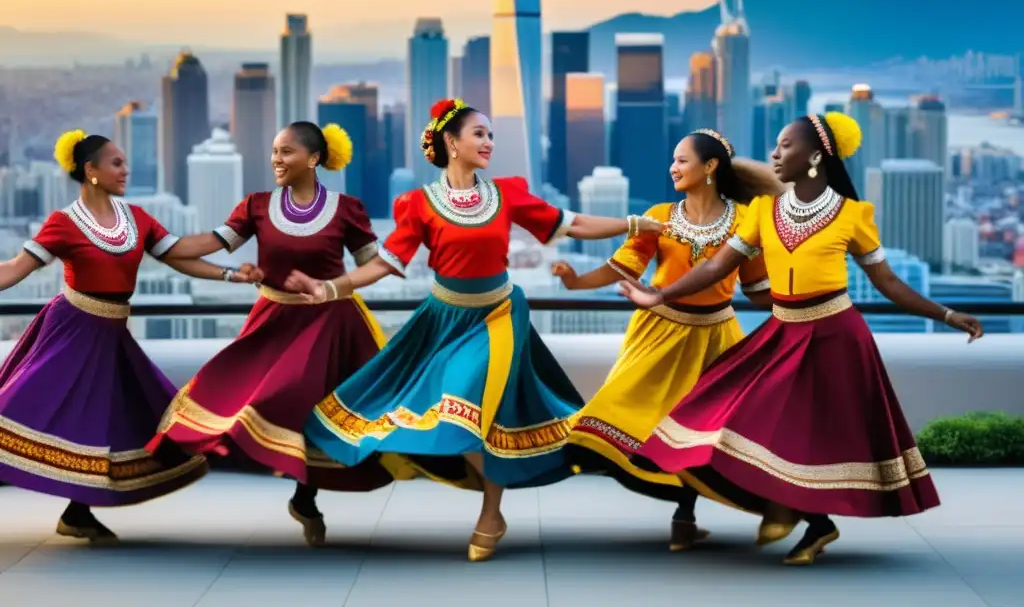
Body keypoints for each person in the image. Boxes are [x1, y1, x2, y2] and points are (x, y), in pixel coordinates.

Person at [284, 98, 666, 562]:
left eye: (490, 135)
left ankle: (491, 513)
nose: (488, 143)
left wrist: (634, 223)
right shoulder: (418, 204)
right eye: (479, 134)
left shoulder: (506, 193)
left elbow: (574, 223)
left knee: (475, 401)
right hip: (443, 320)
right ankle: (312, 490)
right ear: (451, 141)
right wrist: (331, 288)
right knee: (388, 407)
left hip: (501, 317)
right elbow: (386, 262)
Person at [621, 112, 984, 566]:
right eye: (775, 145)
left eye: (785, 146)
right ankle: (805, 519)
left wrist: (947, 314)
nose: (774, 154)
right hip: (782, 333)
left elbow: (889, 283)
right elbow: (717, 268)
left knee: (814, 438)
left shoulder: (853, 216)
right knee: (738, 420)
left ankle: (809, 521)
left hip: (837, 338)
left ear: (815, 157)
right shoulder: (762, 213)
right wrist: (658, 295)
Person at [0, 131, 261, 542]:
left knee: (110, 423)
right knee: (28, 409)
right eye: (116, 163)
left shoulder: (137, 218)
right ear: (91, 172)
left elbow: (180, 255)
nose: (126, 169)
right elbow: (14, 270)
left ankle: (78, 513)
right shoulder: (63, 223)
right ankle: (79, 512)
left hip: (111, 335)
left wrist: (232, 271)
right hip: (71, 331)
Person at [147, 121, 397, 547]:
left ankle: (305, 497)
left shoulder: (346, 209)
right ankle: (164, 462)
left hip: (331, 325)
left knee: (313, 409)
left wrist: (331, 288)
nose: (276, 160)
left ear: (314, 159)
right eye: (274, 151)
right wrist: (155, 242)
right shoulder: (257, 207)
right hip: (274, 322)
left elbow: (374, 265)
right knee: (240, 398)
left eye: (286, 152)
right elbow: (209, 243)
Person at [552, 128, 782, 551]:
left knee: (698, 432)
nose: (673, 168)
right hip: (657, 334)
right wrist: (576, 282)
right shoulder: (659, 216)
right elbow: (623, 269)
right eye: (673, 160)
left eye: (682, 160)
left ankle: (684, 517)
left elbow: (756, 288)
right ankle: (665, 501)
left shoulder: (746, 221)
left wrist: (804, 302)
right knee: (610, 417)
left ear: (710, 167)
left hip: (716, 340)